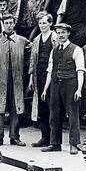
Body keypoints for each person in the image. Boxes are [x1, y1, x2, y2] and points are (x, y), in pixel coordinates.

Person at [0, 13, 29, 147]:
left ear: (14, 24)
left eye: (11, 23)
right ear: (3, 24)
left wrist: (27, 70)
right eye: (6, 23)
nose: (9, 25)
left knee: (15, 108)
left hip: (16, 80)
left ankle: (15, 137)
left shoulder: (21, 41)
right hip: (0, 80)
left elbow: (32, 53)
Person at [42, 23, 86, 154]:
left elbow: (80, 71)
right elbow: (50, 70)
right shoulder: (54, 50)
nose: (60, 35)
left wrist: (78, 89)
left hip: (70, 84)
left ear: (68, 33)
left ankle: (74, 143)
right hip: (56, 84)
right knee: (54, 114)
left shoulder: (76, 49)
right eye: (58, 33)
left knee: (73, 114)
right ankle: (55, 143)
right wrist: (45, 89)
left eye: (63, 32)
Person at [28, 12, 58, 148]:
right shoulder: (36, 39)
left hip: (52, 77)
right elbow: (32, 61)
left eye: (45, 23)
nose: (42, 25)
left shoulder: (55, 38)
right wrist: (30, 78)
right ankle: (44, 137)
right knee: (42, 108)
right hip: (39, 77)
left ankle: (54, 140)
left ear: (50, 23)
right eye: (40, 23)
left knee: (53, 107)